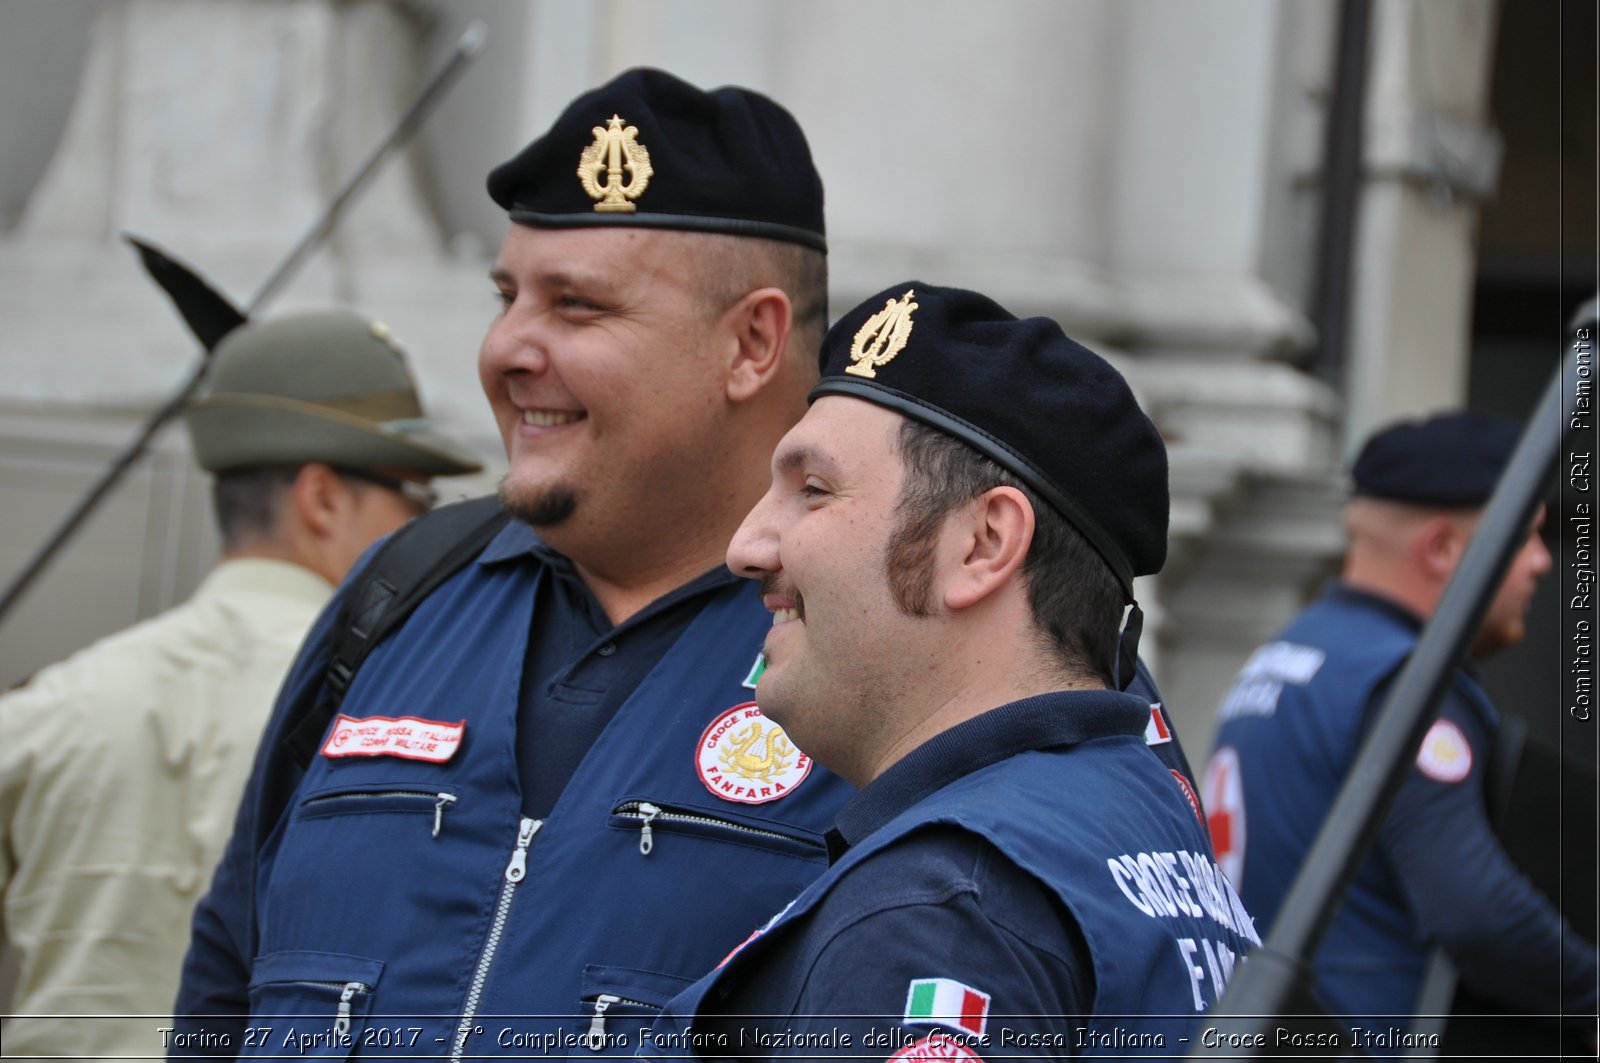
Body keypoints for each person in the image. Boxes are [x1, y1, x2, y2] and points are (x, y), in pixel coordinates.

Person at [170, 69, 855, 1060]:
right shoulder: (399, 597)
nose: (505, 350)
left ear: (751, 343)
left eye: (575, 307)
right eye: (507, 297)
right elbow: (226, 983)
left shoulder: (893, 645)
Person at [642, 282, 1260, 1062]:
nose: (746, 544)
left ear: (983, 544)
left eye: (813, 490)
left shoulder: (940, 913)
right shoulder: (1131, 821)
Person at [0, 308, 480, 1061]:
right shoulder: (406, 711)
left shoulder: (45, 706)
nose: (423, 524)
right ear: (321, 498)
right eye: (415, 497)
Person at [1202, 410, 1598, 1038]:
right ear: (1441, 548)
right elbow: (1473, 910)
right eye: (1527, 536)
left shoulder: (1289, 655)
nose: (1542, 563)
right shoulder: (1401, 682)